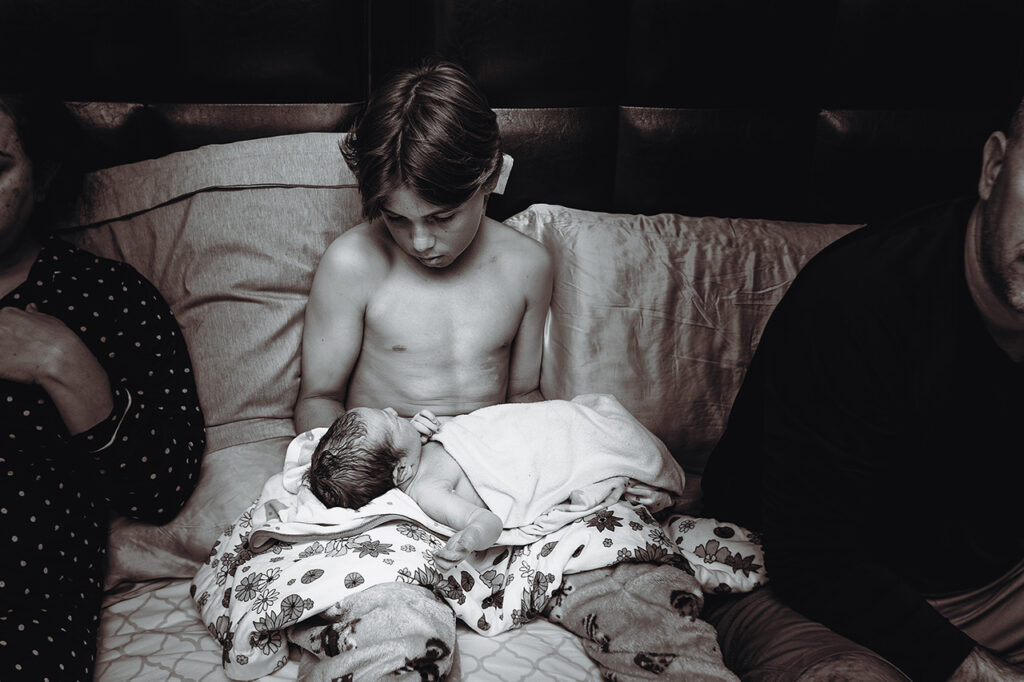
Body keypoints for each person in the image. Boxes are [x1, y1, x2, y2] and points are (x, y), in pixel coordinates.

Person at [700, 95, 1024, 681]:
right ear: (994, 169)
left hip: (992, 584)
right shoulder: (863, 296)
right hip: (796, 583)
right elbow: (814, 558)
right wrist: (976, 671)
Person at [0, 94, 205, 680]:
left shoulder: (101, 298)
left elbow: (162, 485)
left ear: (43, 177)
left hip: (22, 619)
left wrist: (61, 361)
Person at [293, 59, 552, 433]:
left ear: (489, 180)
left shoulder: (528, 266)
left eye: (442, 218)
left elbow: (524, 395)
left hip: (485, 464)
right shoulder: (353, 264)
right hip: (379, 461)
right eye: (396, 218)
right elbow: (319, 399)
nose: (420, 242)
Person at [305, 394, 685, 570]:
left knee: (579, 421)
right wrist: (467, 539)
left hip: (534, 430)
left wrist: (424, 431)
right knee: (606, 451)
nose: (392, 409)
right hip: (538, 462)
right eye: (390, 421)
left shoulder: (415, 451)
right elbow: (486, 522)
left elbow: (470, 433)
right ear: (400, 472)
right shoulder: (427, 489)